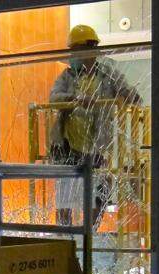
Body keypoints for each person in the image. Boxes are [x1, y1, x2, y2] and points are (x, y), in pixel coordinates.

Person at [48, 24, 142, 228]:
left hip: (96, 147)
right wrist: (75, 98)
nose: (74, 55)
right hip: (67, 147)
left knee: (99, 193)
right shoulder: (67, 77)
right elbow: (54, 97)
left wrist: (129, 96)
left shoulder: (107, 75)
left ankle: (88, 237)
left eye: (76, 51)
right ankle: (66, 239)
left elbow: (131, 94)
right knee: (66, 196)